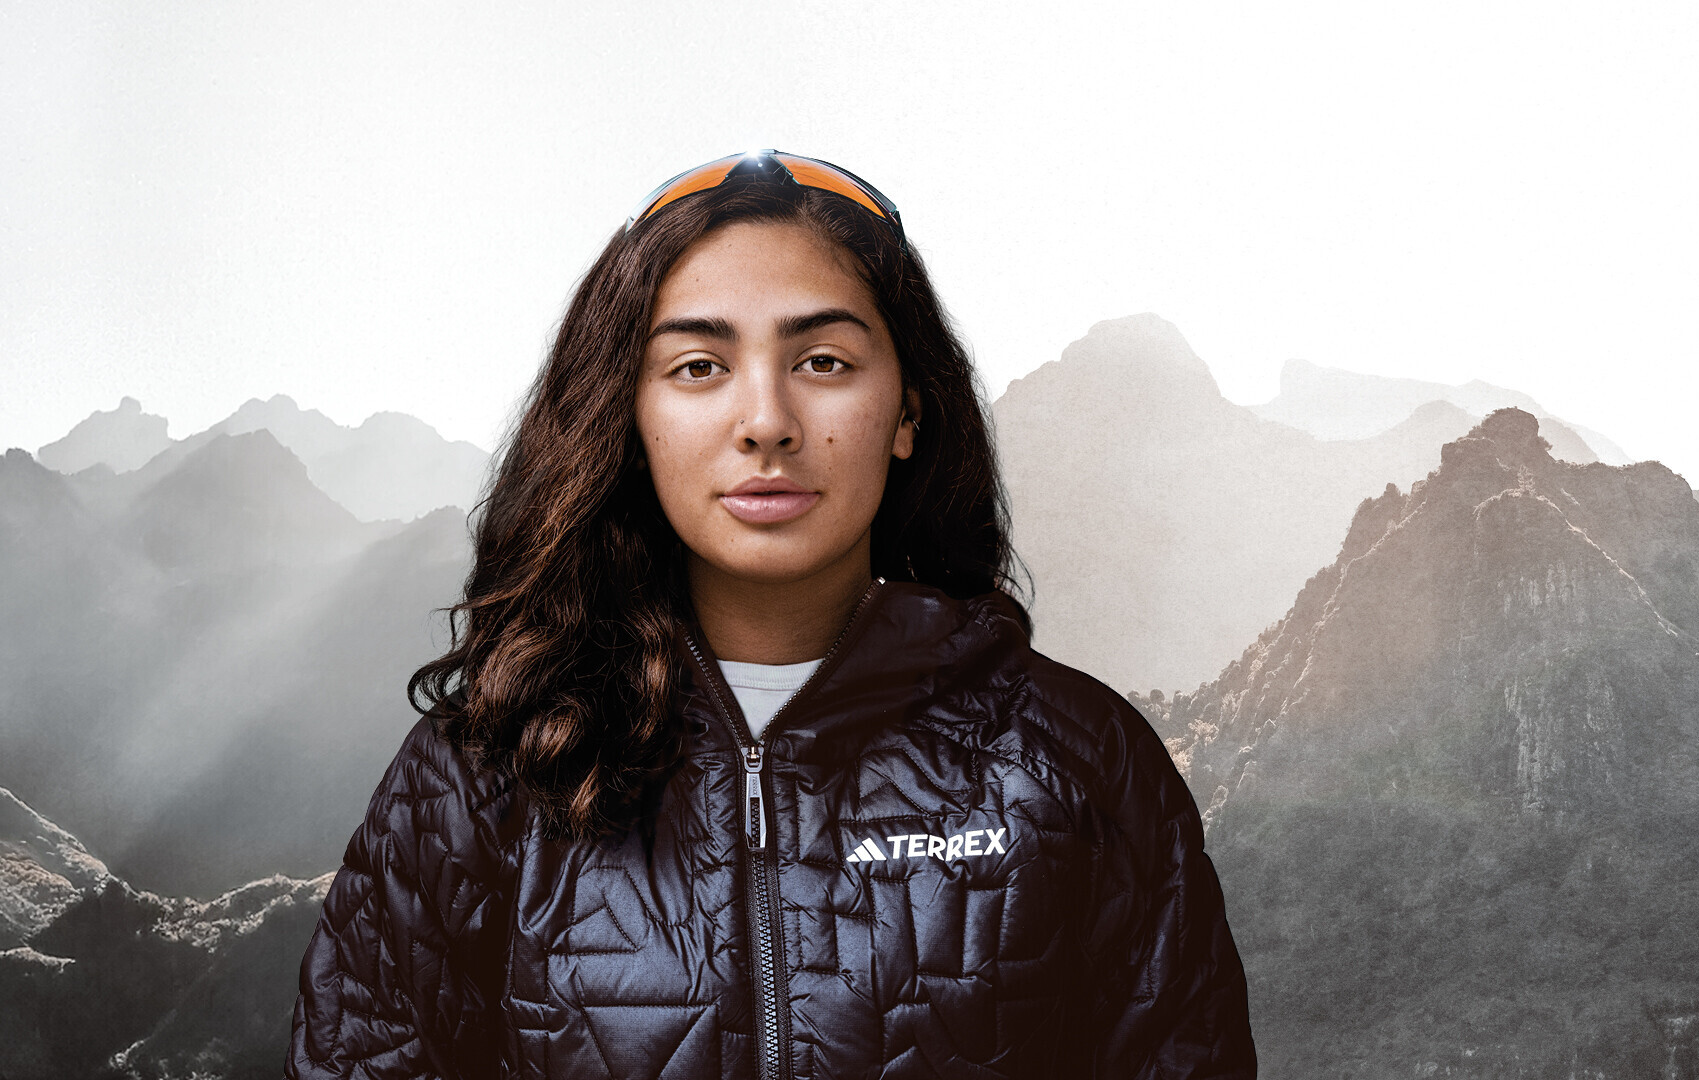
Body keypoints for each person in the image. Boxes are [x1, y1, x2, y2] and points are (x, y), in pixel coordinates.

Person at [284, 150, 1256, 1079]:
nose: (767, 420)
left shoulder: (1078, 764)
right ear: (628, 421)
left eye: (825, 360)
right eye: (699, 366)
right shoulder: (481, 776)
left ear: (909, 409)